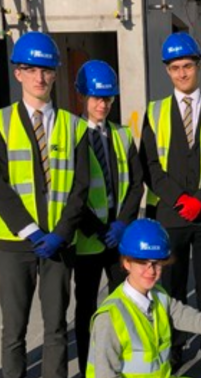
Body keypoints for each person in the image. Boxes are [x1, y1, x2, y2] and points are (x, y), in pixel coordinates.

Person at [0, 31, 90, 378]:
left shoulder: (74, 127)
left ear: (55, 74)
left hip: (59, 242)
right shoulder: (0, 122)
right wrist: (30, 231)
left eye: (46, 70)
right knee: (14, 330)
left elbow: (81, 187)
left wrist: (61, 233)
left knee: (56, 326)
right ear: (18, 73)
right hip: (15, 243)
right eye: (31, 70)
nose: (39, 78)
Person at [139, 32, 201, 375]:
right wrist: (180, 200)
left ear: (198, 66)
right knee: (172, 288)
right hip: (171, 215)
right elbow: (149, 165)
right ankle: (174, 347)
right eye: (175, 67)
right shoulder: (155, 113)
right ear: (168, 71)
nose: (182, 73)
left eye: (187, 66)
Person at [87, 218, 201, 377]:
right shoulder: (109, 318)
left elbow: (196, 320)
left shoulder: (159, 296)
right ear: (126, 263)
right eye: (143, 263)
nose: (151, 271)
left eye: (157, 263)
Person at [73, 60, 145, 373]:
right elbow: (69, 190)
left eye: (108, 99)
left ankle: (123, 363)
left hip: (119, 238)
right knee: (87, 308)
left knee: (124, 303)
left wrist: (122, 223)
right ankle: (90, 367)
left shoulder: (123, 135)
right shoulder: (72, 134)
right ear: (83, 97)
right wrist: (97, 227)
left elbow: (137, 184)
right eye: (96, 98)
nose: (102, 104)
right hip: (88, 239)